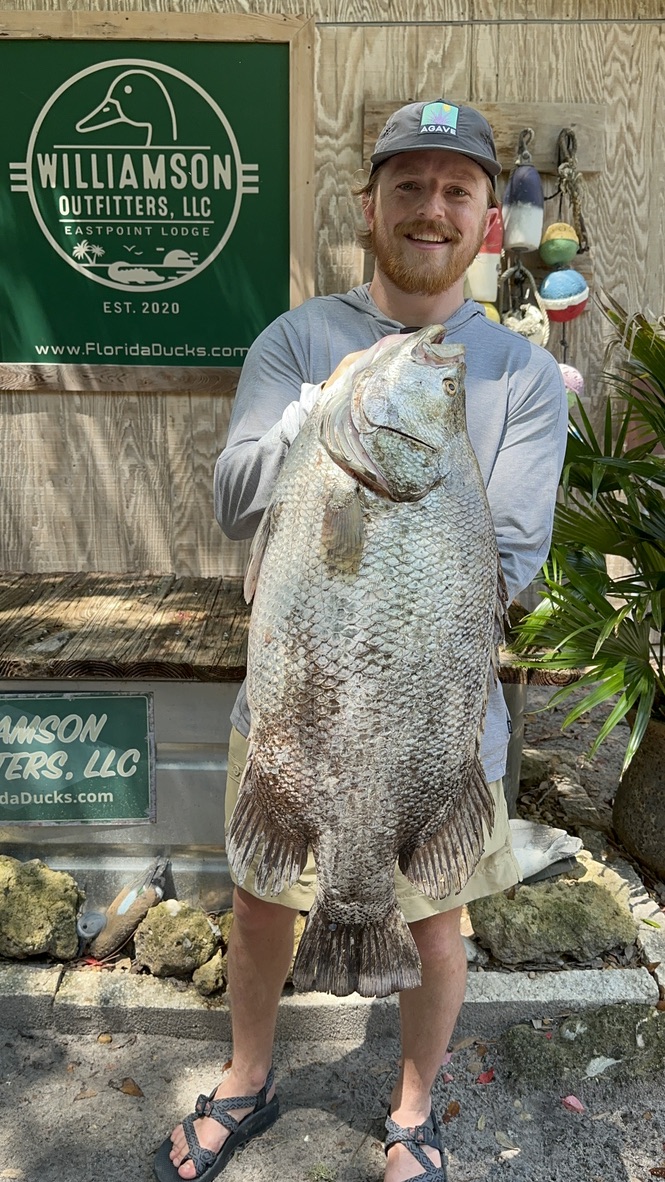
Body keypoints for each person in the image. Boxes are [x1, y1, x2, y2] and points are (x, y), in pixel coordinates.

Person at [156, 98, 568, 1182]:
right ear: (368, 205)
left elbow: (513, 558)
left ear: (485, 221)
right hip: (292, 703)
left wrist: (391, 529)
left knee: (434, 926)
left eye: (456, 190)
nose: (430, 208)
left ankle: (412, 1111)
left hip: (431, 718)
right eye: (407, 186)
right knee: (258, 903)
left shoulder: (521, 375)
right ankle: (246, 1075)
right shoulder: (296, 341)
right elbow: (233, 502)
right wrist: (307, 422)